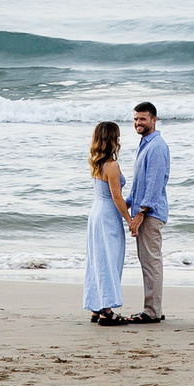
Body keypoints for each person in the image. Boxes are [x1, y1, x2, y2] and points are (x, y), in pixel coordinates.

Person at [122, 101, 169, 323]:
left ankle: (152, 311)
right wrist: (124, 205)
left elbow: (154, 184)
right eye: (135, 119)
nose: (138, 123)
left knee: (151, 262)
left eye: (142, 119)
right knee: (147, 262)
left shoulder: (157, 147)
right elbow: (138, 185)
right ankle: (153, 309)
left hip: (151, 214)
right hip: (144, 211)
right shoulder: (145, 145)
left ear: (153, 120)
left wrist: (141, 212)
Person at [82, 119, 131, 324]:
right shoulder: (112, 166)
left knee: (97, 259)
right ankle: (107, 311)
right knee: (110, 260)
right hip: (107, 216)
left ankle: (96, 306)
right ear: (113, 140)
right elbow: (116, 197)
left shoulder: (96, 163)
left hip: (96, 212)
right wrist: (129, 219)